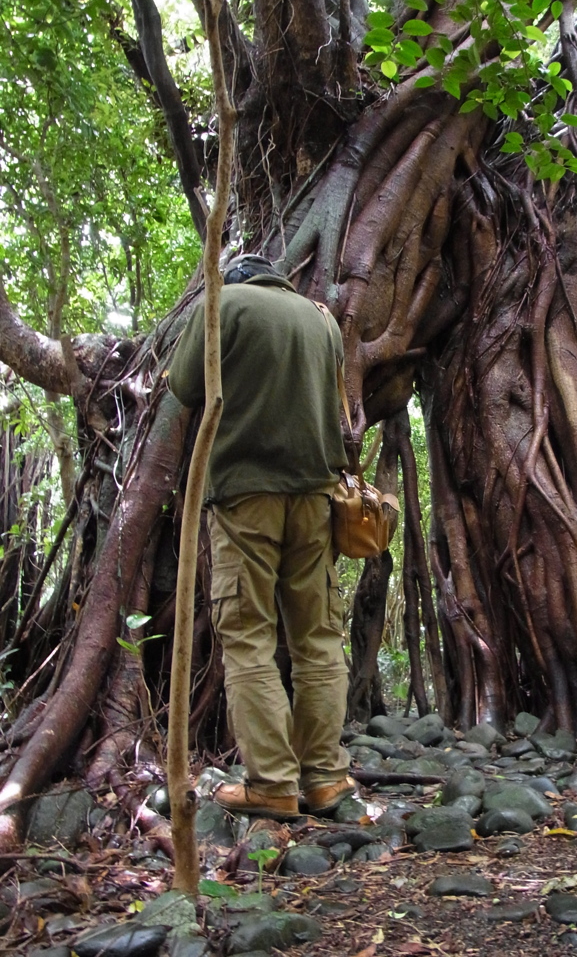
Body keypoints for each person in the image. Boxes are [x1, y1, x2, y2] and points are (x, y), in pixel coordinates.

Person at [167, 253, 355, 819]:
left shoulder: (224, 302)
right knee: (318, 638)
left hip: (246, 494)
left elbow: (182, 385)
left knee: (248, 635)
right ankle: (325, 779)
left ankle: (272, 782)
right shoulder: (322, 318)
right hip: (317, 497)